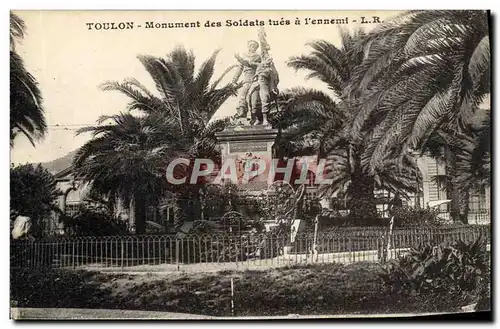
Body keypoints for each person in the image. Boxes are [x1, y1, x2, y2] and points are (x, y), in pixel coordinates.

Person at [231, 40, 261, 121]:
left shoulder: (258, 57)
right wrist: (234, 80)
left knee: (253, 97)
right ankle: (241, 112)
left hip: (255, 78)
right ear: (248, 46)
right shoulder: (244, 56)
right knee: (242, 95)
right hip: (246, 78)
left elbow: (249, 64)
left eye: (255, 46)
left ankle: (253, 114)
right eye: (251, 45)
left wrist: (239, 59)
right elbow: (240, 69)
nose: (253, 47)